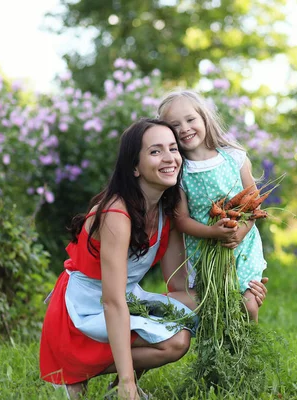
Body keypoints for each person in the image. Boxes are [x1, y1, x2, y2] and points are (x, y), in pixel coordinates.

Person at [39, 118, 269, 400]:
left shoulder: (164, 211)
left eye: (173, 148)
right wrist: (128, 385)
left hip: (126, 298)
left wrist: (239, 293)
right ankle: (77, 369)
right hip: (84, 308)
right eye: (155, 151)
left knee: (215, 306)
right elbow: (112, 301)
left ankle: (111, 377)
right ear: (134, 166)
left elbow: (179, 288)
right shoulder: (116, 214)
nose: (170, 158)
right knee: (175, 341)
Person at [158, 90, 268, 322]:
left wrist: (241, 232)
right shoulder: (180, 170)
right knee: (216, 307)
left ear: (204, 119)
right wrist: (211, 232)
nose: (185, 128)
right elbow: (182, 219)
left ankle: (247, 355)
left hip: (242, 250)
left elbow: (252, 206)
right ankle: (218, 354)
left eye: (190, 120)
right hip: (205, 252)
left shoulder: (234, 157)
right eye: (175, 125)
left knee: (247, 306)